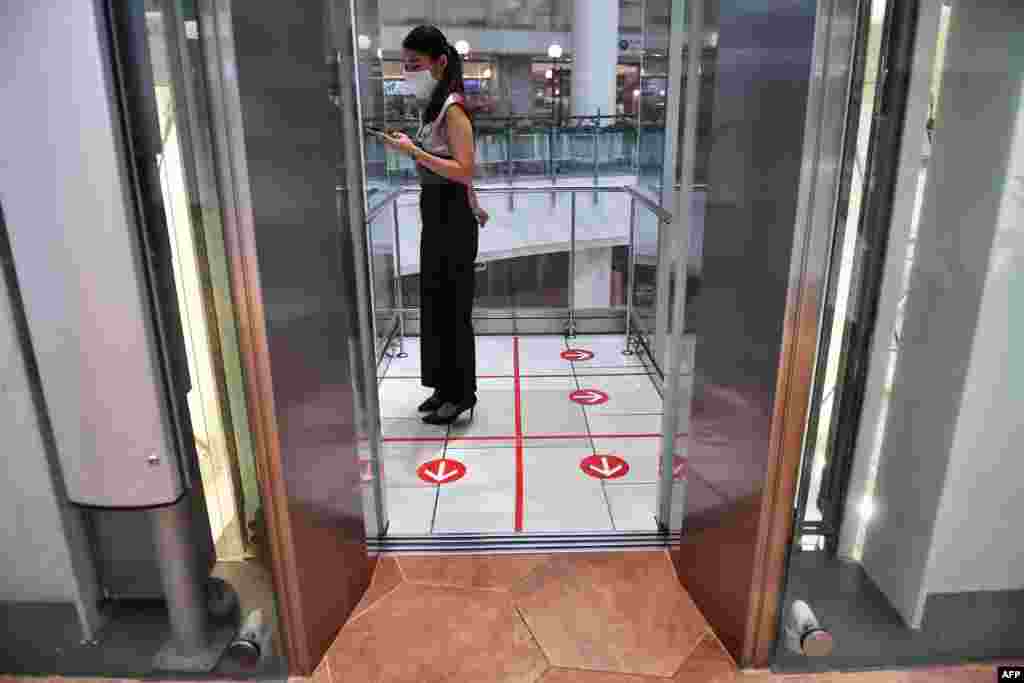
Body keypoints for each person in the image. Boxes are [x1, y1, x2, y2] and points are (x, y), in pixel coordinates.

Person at [376, 25, 482, 425]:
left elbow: (465, 168)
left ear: (439, 62)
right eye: (404, 66)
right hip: (436, 209)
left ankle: (462, 393)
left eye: (414, 65)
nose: (409, 72)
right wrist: (410, 148)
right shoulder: (434, 108)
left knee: (454, 308)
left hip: (451, 213)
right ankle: (442, 386)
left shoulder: (454, 110)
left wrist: (414, 152)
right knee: (435, 302)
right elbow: (439, 162)